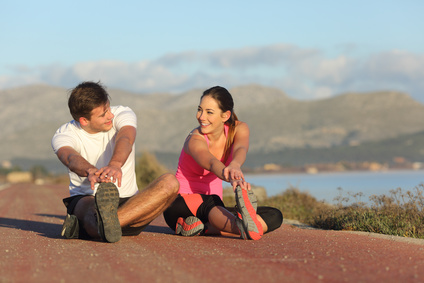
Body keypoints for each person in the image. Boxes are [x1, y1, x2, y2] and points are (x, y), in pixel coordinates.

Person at [52, 81, 179, 243]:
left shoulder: (123, 113)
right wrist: (90, 171)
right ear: (84, 120)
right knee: (86, 205)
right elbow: (69, 157)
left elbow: (126, 137)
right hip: (90, 199)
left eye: (108, 108)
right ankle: (103, 224)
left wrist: (115, 164)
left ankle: (102, 226)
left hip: (131, 203)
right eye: (103, 114)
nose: (110, 115)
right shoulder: (64, 134)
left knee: (171, 183)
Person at [163, 86, 283, 240]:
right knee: (211, 202)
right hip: (180, 205)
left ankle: (202, 228)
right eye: (200, 110)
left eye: (209, 112)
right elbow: (211, 162)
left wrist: (235, 165)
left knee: (274, 215)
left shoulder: (239, 128)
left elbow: (240, 148)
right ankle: (242, 227)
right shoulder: (195, 139)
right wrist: (230, 175)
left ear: (225, 115)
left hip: (214, 210)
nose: (201, 116)